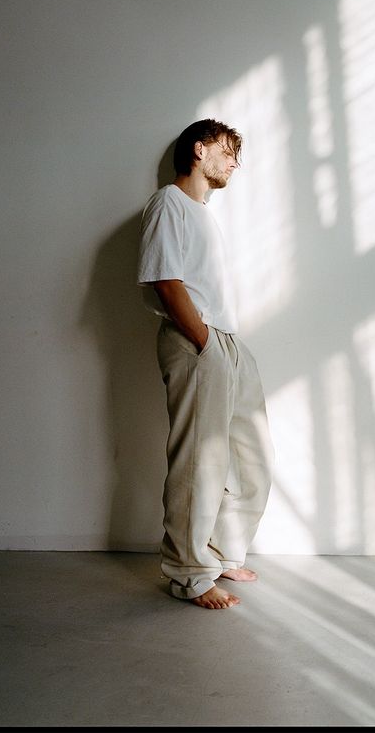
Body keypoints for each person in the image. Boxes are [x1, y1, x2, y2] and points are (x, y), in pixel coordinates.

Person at [137, 118, 274, 609]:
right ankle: (189, 573)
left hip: (226, 339)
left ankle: (218, 551)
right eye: (228, 150)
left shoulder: (202, 214)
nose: (236, 162)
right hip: (197, 339)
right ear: (200, 150)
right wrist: (201, 339)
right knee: (200, 459)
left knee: (253, 456)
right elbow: (165, 279)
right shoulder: (168, 203)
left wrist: (222, 342)